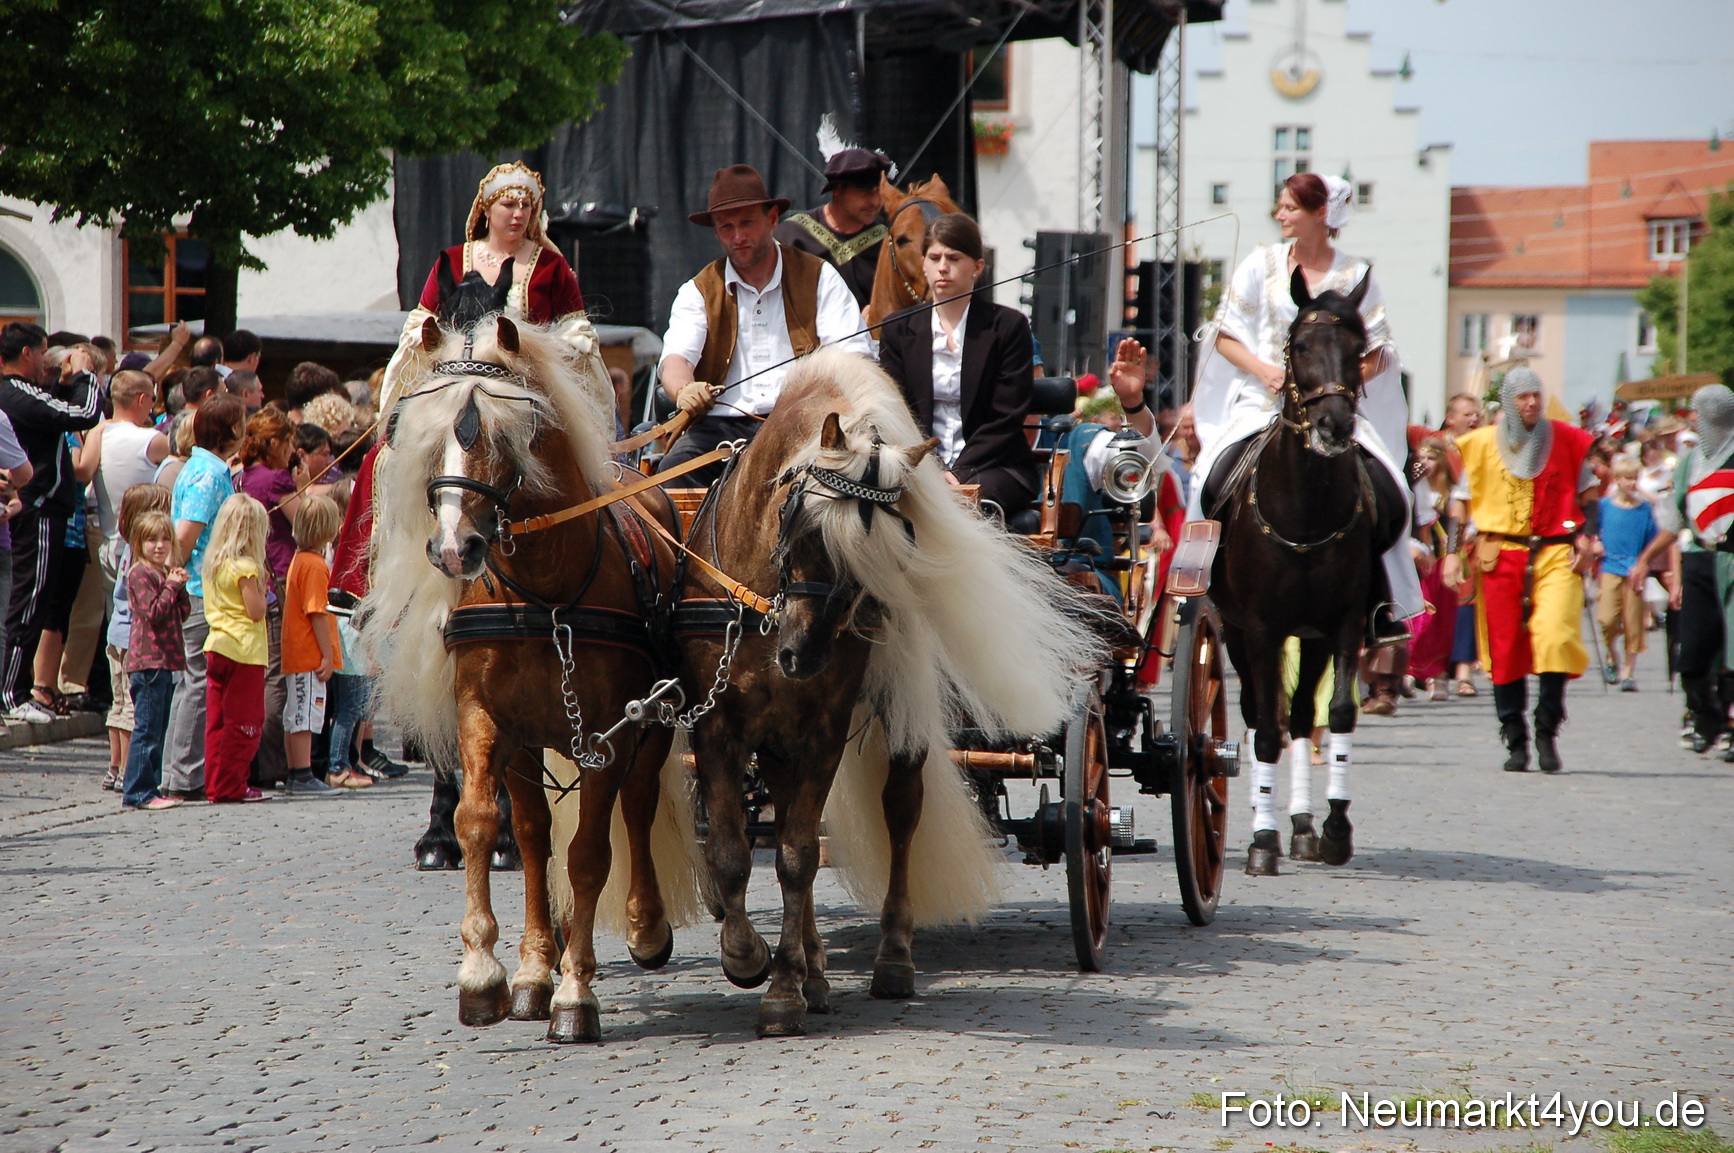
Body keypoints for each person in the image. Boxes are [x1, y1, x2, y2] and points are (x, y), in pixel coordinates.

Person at [1188, 172, 1419, 640]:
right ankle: (1200, 578)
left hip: (1334, 407)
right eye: (1280, 207)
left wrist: (1341, 387)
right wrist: (1265, 371)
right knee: (1207, 476)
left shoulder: (1357, 275)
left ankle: (1384, 601)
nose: (1279, 215)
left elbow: (1377, 351)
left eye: (1289, 208)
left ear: (1320, 215)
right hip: (1262, 399)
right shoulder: (1260, 264)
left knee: (1393, 487)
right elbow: (1225, 337)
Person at [656, 164, 871, 486]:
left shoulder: (819, 277)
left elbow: (853, 359)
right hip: (719, 430)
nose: (738, 236)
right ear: (715, 231)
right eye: (726, 227)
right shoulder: (698, 290)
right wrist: (685, 389)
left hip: (804, 425)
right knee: (670, 478)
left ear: (772, 220)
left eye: (747, 223)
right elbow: (675, 360)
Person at [1442, 368, 1596, 774]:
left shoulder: (1564, 439)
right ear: (1510, 401)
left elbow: (1589, 493)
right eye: (1523, 397)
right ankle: (1515, 738)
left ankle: (1547, 728)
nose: (1531, 403)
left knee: (1556, 637)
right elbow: (1460, 503)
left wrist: (1589, 538)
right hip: (1500, 553)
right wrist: (1453, 552)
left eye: (1535, 395)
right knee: (1506, 648)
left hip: (1555, 553)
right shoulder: (1477, 445)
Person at [876, 213, 1040, 516]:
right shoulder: (898, 328)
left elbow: (1005, 418)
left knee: (961, 503)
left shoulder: (1008, 326)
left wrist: (960, 472)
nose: (942, 267)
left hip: (995, 465)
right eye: (934, 257)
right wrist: (930, 468)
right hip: (918, 464)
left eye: (953, 257)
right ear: (923, 263)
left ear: (977, 267)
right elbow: (897, 410)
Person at [0, 323, 102, 724]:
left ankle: (15, 689)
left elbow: (52, 417)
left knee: (33, 601)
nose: (46, 361)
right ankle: (12, 691)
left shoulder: (22, 393)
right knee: (28, 600)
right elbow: (85, 414)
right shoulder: (15, 391)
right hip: (37, 506)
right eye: (43, 353)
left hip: (40, 506)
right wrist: (84, 375)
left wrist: (62, 384)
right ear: (27, 353)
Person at [160, 394, 247, 800]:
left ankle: (187, 772)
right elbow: (184, 536)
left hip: (205, 589)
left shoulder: (211, 469)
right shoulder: (208, 474)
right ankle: (181, 776)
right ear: (231, 431)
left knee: (195, 682)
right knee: (195, 683)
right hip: (199, 591)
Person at [1658, 384, 1734, 754]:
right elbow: (1674, 521)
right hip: (1699, 558)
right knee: (1692, 654)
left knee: (1733, 654)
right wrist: (1649, 562)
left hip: (1732, 559)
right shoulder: (1691, 461)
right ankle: (1705, 719)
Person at [281, 494, 362, 791]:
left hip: (297, 654)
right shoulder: (315, 565)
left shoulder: (299, 559)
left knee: (295, 716)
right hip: (309, 656)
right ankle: (302, 774)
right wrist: (327, 657)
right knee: (305, 716)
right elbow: (317, 613)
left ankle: (295, 772)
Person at [100, 483, 172, 791]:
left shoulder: (125, 548)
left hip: (115, 633)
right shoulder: (144, 562)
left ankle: (114, 767)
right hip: (132, 640)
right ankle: (130, 769)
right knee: (131, 707)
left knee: (117, 705)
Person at [117, 510, 191, 810]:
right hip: (147, 662)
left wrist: (179, 586)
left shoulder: (163, 572)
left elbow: (180, 613)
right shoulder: (139, 573)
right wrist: (171, 587)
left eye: (164, 539)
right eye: (151, 540)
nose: (159, 546)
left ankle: (153, 786)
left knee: (159, 729)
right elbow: (154, 613)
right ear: (138, 543)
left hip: (166, 662)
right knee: (146, 728)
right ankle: (138, 791)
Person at [201, 493, 271, 804]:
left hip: (217, 644)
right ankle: (232, 785)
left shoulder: (214, 563)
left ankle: (215, 783)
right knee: (245, 722)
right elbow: (256, 610)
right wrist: (263, 590)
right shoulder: (246, 567)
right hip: (244, 650)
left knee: (216, 723)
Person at [774, 144, 893, 309]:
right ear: (837, 190)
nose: (875, 202)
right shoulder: (792, 236)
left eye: (879, 191)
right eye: (865, 192)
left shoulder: (886, 244)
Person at [1596, 456, 1673, 691]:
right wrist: (1596, 543)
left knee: (1633, 622)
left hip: (1634, 570)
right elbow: (1593, 532)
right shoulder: (1604, 506)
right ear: (1617, 480)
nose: (1631, 483)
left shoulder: (1644, 509)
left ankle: (1628, 672)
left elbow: (1653, 541)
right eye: (1627, 479)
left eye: (1634, 479)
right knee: (1606, 619)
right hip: (1610, 566)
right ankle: (1611, 654)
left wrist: (1645, 562)